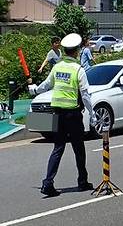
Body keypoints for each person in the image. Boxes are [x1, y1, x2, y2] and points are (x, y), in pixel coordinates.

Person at [29, 33, 96, 197]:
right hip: (73, 114)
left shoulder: (57, 66)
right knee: (78, 149)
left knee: (58, 148)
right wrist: (92, 114)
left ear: (65, 50)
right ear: (77, 51)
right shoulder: (78, 69)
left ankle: (47, 183)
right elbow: (85, 95)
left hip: (57, 112)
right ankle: (82, 182)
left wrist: (35, 89)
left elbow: (46, 84)